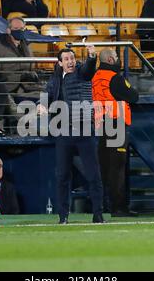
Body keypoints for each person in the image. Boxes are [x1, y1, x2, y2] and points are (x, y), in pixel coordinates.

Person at [36, 46, 105, 224]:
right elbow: (46, 95)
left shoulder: (82, 72)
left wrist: (91, 55)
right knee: (62, 176)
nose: (70, 62)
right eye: (66, 59)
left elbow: (90, 67)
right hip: (64, 132)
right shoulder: (55, 80)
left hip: (84, 130)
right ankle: (63, 216)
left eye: (72, 58)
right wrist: (41, 104)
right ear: (60, 63)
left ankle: (98, 214)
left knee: (93, 174)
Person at [92, 48, 139, 217]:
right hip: (116, 123)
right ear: (111, 60)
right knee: (117, 168)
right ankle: (118, 207)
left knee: (104, 167)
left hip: (101, 124)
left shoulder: (95, 77)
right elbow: (134, 96)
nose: (119, 60)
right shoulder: (115, 78)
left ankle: (102, 205)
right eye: (117, 57)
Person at [0, 17, 39, 131]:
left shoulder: (27, 47)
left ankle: (39, 122)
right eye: (16, 28)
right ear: (8, 30)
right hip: (8, 86)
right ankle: (27, 124)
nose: (19, 31)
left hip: (27, 86)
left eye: (21, 28)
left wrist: (32, 74)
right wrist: (18, 76)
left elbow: (32, 66)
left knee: (47, 95)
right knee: (7, 99)